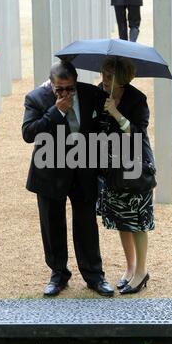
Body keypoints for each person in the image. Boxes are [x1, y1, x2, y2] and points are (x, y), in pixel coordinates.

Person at [22, 61, 114, 297]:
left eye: (69, 88)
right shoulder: (36, 98)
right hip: (50, 172)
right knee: (52, 226)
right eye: (59, 89)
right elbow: (28, 133)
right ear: (50, 84)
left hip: (84, 171)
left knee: (86, 226)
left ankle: (94, 276)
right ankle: (58, 275)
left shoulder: (91, 93)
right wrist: (57, 111)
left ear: (76, 82)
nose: (64, 93)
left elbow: (102, 125)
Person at [96, 58, 155, 295]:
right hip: (111, 166)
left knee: (139, 220)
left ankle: (141, 270)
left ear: (123, 77)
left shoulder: (137, 99)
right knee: (122, 218)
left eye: (111, 75)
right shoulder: (99, 94)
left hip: (135, 166)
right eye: (104, 73)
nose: (105, 78)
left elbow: (138, 134)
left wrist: (116, 113)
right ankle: (130, 267)